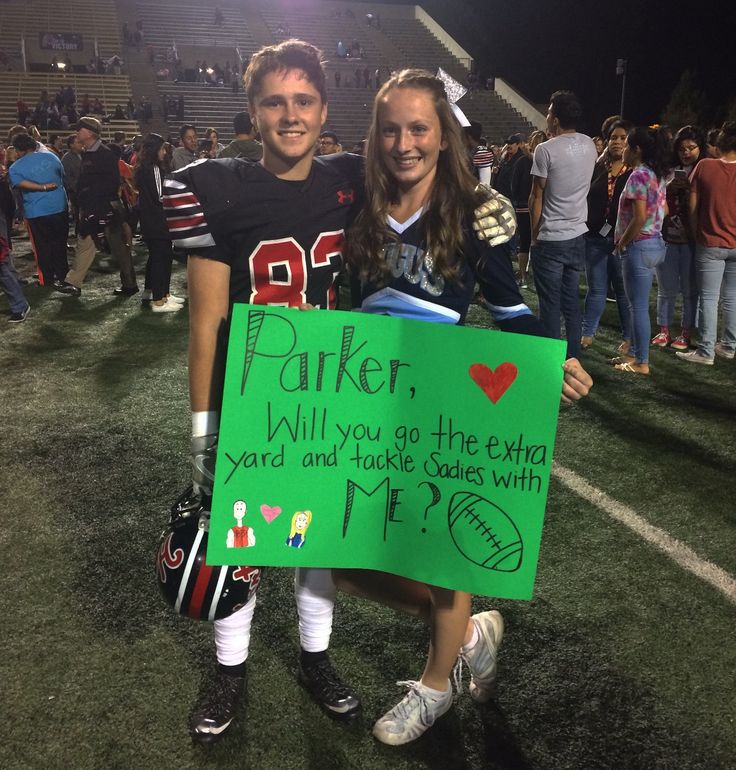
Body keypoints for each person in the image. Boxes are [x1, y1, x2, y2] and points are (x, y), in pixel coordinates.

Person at [163, 39, 518, 746]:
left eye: (303, 102)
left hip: (333, 396)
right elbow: (206, 323)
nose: (289, 116)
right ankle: (230, 673)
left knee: (318, 543)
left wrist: (486, 204)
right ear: (253, 110)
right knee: (243, 539)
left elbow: (420, 177)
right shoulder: (217, 187)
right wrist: (204, 425)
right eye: (273, 102)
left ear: (325, 110)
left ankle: (317, 661)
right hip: (256, 395)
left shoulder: (347, 182)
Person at [339, 69, 592, 746]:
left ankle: (436, 684)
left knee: (441, 555)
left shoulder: (476, 209)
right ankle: (469, 635)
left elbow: (509, 308)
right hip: (363, 398)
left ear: (443, 131)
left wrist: (555, 355)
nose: (404, 142)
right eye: (390, 128)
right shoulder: (357, 201)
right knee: (330, 557)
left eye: (419, 127)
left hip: (439, 402)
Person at [612, 126, 671, 375]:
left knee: (637, 306)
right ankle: (636, 354)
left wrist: (623, 242)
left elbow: (638, 217)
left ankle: (642, 361)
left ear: (636, 150)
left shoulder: (638, 176)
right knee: (639, 303)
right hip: (655, 242)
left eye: (626, 145)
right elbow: (664, 210)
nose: (623, 149)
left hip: (639, 245)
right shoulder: (657, 174)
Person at [676, 121, 736, 365]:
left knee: (709, 298)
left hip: (710, 242)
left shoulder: (705, 166)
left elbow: (691, 207)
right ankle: (729, 346)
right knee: (732, 296)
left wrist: (695, 231)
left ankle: (705, 350)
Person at [580, 119, 633, 351]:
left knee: (623, 293)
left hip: (622, 240)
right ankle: (587, 334)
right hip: (595, 238)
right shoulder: (597, 168)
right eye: (613, 138)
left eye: (623, 138)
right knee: (596, 290)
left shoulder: (635, 172)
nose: (618, 142)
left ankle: (629, 338)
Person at [651, 125, 705, 351]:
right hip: (669, 238)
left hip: (693, 240)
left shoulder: (704, 170)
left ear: (700, 148)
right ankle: (663, 330)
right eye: (682, 148)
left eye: (691, 148)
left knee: (691, 290)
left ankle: (685, 333)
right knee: (666, 288)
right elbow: (656, 197)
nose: (686, 152)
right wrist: (670, 187)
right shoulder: (668, 170)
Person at [8, 132, 70, 291]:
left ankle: (48, 278)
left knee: (42, 245)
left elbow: (19, 184)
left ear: (18, 149)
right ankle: (63, 274)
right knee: (60, 242)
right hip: (59, 206)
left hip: (36, 210)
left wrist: (40, 187)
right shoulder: (51, 157)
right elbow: (62, 176)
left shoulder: (15, 167)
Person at [134, 133, 184, 313]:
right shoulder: (153, 168)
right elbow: (160, 197)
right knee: (162, 257)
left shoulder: (144, 167)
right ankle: (159, 300)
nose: (164, 152)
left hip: (150, 220)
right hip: (157, 220)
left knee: (156, 257)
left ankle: (157, 293)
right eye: (162, 148)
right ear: (155, 149)